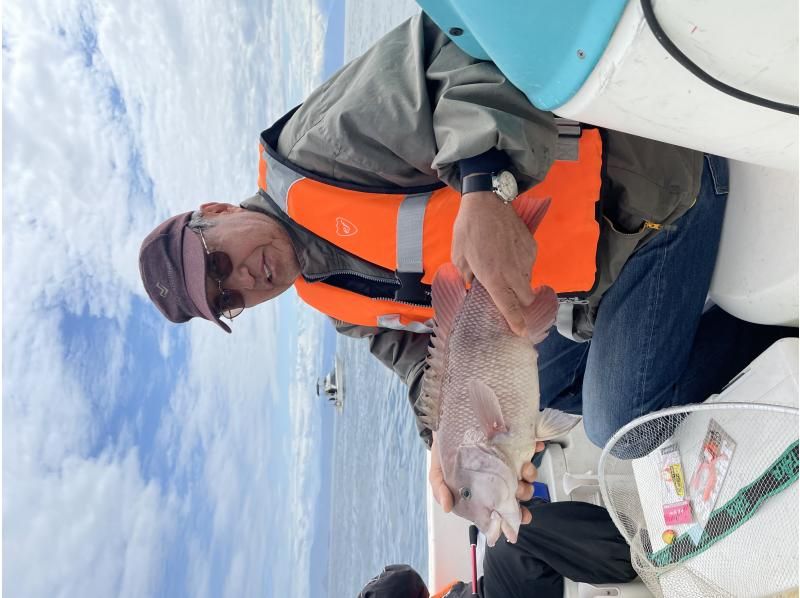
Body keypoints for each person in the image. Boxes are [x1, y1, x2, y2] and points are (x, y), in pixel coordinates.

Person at [139, 13, 793, 516]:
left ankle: (778, 342)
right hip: (596, 266)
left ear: (217, 208)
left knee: (619, 426)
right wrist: (445, 445)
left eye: (218, 261)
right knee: (551, 391)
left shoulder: (323, 144)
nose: (241, 281)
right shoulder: (325, 296)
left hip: (647, 187)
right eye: (226, 299)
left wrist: (485, 185)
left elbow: (457, 42)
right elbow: (420, 364)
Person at [357, 498, 637, 598]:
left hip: (497, 586)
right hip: (501, 588)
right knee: (510, 537)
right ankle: (638, 554)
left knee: (506, 513)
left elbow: (404, 580)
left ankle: (627, 544)